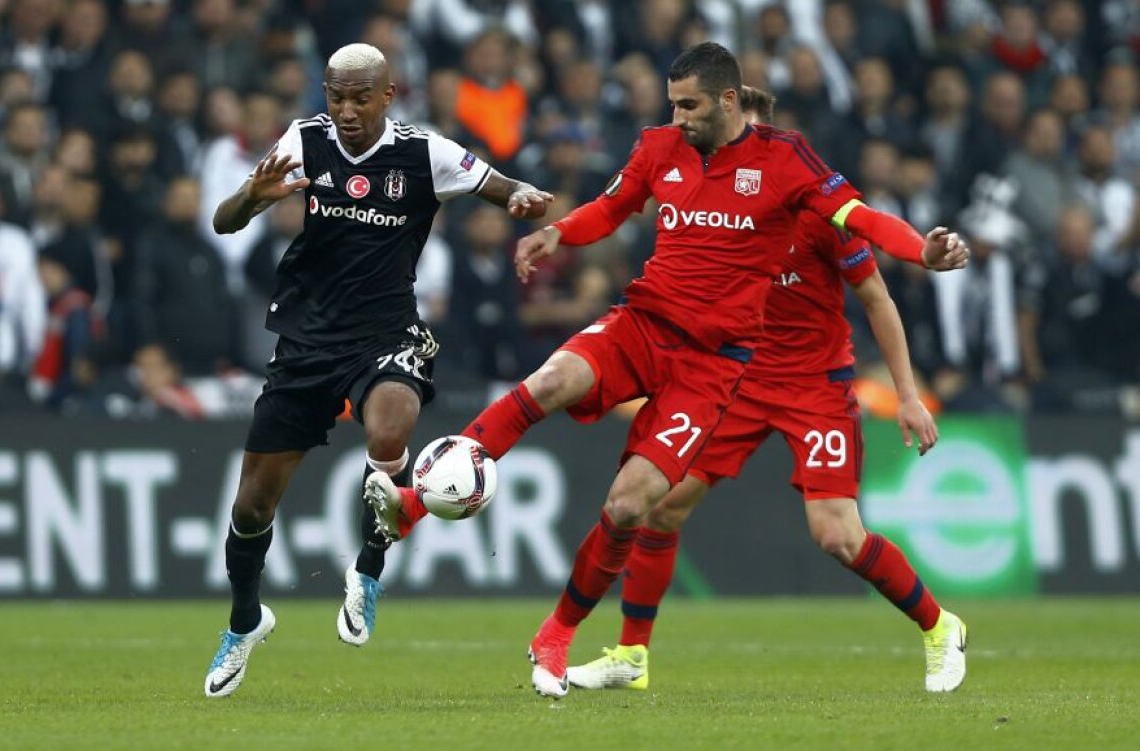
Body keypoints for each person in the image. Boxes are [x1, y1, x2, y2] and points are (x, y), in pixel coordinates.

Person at [362, 42, 966, 698]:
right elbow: (614, 206)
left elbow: (866, 224)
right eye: (672, 104)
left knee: (646, 506)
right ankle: (417, 507)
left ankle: (937, 626)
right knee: (555, 385)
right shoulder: (660, 147)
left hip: (746, 371)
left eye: (689, 106)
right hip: (647, 325)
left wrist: (923, 251)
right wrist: (559, 232)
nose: (677, 117)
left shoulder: (790, 170)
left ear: (731, 103)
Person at [563, 87, 966, 696]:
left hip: (814, 385)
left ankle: (940, 627)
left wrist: (907, 395)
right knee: (661, 505)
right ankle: (631, 654)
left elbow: (877, 299)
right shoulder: (710, 202)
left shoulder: (818, 211)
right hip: (737, 378)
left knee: (836, 535)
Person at [202, 42, 552, 699]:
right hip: (305, 341)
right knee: (251, 507)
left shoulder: (424, 151)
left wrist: (524, 197)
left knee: (390, 429)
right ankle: (245, 621)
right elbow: (225, 223)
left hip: (386, 334)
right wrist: (252, 195)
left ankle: (366, 568)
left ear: (389, 96)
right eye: (336, 96)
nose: (347, 110)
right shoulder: (304, 141)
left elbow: (499, 185)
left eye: (361, 97)